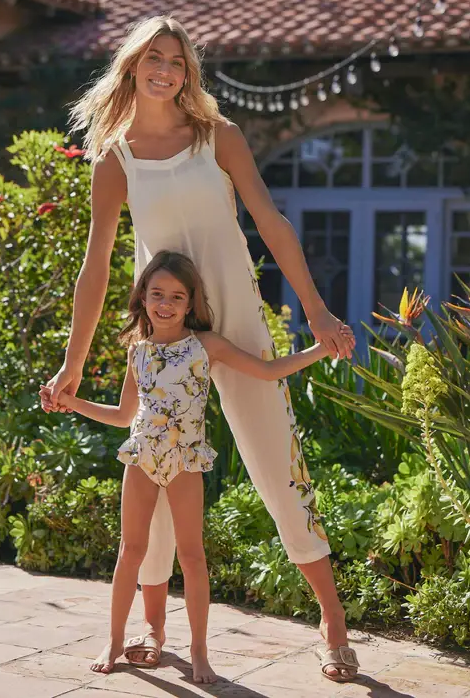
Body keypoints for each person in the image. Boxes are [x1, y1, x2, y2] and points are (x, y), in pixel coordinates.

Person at [40, 15, 359, 682]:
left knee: (275, 457)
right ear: (131, 67)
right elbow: (96, 267)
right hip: (162, 328)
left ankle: (331, 620)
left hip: (235, 314)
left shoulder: (218, 138)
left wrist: (316, 309)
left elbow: (269, 222)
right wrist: (72, 363)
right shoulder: (115, 155)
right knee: (155, 458)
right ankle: (154, 627)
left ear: (188, 73)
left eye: (177, 60)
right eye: (153, 57)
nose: (165, 69)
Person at [41, 250, 344, 682]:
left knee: (193, 557)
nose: (165, 304)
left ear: (189, 303)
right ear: (143, 296)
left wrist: (320, 349)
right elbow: (125, 415)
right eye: (157, 293)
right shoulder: (138, 351)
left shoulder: (206, 345)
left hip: (185, 460)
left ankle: (200, 652)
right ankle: (112, 640)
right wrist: (72, 402)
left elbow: (266, 370)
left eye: (177, 297)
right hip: (142, 458)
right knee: (130, 552)